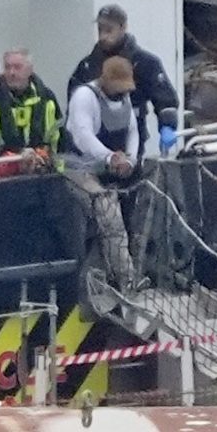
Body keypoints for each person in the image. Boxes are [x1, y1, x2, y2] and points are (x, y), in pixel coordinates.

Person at [68, 5, 180, 163]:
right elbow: (76, 113)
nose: (103, 36)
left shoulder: (146, 63)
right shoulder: (88, 66)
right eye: (100, 30)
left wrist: (167, 126)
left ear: (123, 28)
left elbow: (165, 99)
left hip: (130, 136)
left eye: (109, 30)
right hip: (94, 144)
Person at [64, 56, 140, 289]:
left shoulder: (125, 98)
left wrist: (131, 158)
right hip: (80, 169)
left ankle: (117, 273)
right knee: (110, 217)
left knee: (126, 220)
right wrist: (110, 157)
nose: (122, 93)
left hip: (113, 169)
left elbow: (133, 131)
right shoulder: (84, 97)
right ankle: (127, 279)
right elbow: (83, 136)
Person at [0, 48, 67, 157]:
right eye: (7, 67)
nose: (11, 72)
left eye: (17, 67)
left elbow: (61, 138)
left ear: (30, 70)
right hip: (3, 167)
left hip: (43, 168)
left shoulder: (46, 98)